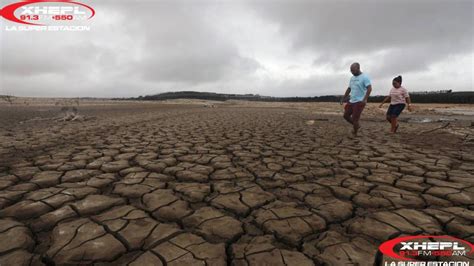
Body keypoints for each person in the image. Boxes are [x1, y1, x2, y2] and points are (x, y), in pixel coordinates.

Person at [341, 62, 372, 136]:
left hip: (359, 101)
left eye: (353, 70)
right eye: (351, 70)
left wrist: (364, 99)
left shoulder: (364, 77)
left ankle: (355, 133)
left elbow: (369, 88)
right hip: (352, 100)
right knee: (346, 115)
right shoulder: (352, 78)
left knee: (355, 118)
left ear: (358, 68)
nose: (352, 72)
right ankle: (357, 126)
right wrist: (344, 98)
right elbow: (349, 88)